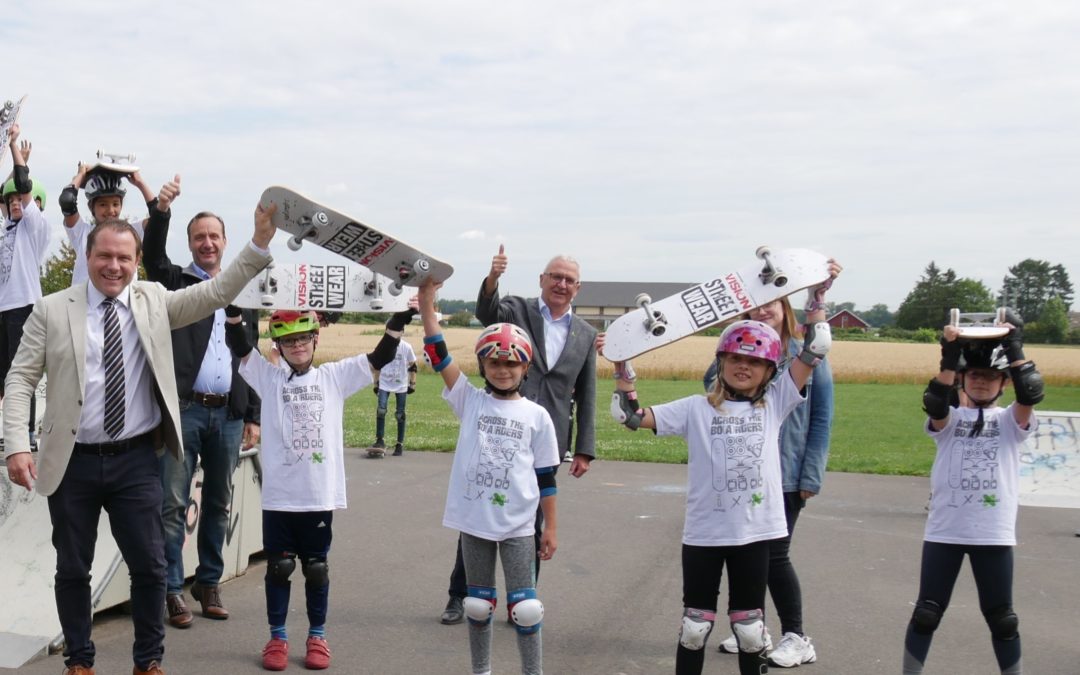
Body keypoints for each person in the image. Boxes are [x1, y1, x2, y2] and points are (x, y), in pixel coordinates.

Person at [2, 203, 277, 675]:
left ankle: (148, 660)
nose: (114, 266)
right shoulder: (51, 309)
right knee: (73, 569)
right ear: (88, 257)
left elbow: (216, 292)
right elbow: (20, 378)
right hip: (71, 462)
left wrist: (258, 245)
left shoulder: (154, 300)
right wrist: (16, 445)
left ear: (136, 262)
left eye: (125, 258)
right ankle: (79, 660)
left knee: (150, 567)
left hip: (136, 460)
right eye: (105, 256)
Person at [608, 288, 834, 675]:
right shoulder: (695, 409)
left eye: (754, 361)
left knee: (749, 629)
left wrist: (816, 301)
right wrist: (622, 367)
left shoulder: (777, 403)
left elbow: (817, 346)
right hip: (704, 535)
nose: (743, 366)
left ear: (769, 371)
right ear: (721, 362)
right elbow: (630, 416)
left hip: (755, 534)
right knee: (695, 627)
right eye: (735, 358)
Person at [225, 303, 416, 671]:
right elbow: (240, 347)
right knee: (279, 568)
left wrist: (396, 321)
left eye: (303, 339)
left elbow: (379, 356)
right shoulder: (269, 378)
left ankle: (317, 635)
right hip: (280, 497)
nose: (297, 346)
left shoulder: (333, 376)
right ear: (278, 346)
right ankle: (277, 637)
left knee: (316, 567)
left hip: (317, 495)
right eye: (288, 341)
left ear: (315, 339)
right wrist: (234, 311)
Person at [441, 244, 596, 624]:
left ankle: (522, 600)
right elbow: (486, 312)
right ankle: (459, 596)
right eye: (555, 277)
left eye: (569, 280)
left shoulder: (587, 333)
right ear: (542, 280)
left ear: (578, 288)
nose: (561, 284)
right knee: (480, 517)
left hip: (546, 436)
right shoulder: (517, 308)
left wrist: (584, 449)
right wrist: (493, 278)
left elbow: (588, 391)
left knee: (533, 521)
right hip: (497, 426)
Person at [418, 278, 559, 675]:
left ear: (525, 367)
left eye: (511, 363)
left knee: (526, 608)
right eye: (495, 362)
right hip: (475, 524)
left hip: (518, 526)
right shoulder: (470, 402)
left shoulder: (537, 416)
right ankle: (481, 670)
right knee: (477, 605)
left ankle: (533, 672)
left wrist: (550, 528)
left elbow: (547, 478)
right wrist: (428, 302)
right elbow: (439, 353)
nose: (502, 369)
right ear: (483, 364)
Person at [141, 189, 263, 629]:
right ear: (190, 243)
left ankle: (207, 583)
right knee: (172, 503)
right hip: (185, 411)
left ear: (225, 241)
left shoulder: (242, 293)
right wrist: (161, 212)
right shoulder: (175, 283)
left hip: (228, 415)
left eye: (214, 236)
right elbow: (152, 256)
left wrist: (253, 414)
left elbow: (250, 356)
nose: (207, 243)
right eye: (199, 237)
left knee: (218, 501)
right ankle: (172, 589)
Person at [902, 313, 1042, 675]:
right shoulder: (948, 423)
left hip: (992, 534)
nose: (982, 382)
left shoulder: (1011, 421)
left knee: (1003, 619)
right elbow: (935, 404)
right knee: (927, 613)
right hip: (945, 531)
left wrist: (1014, 346)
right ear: (963, 379)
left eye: (991, 377)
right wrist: (949, 357)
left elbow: (1031, 391)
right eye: (975, 375)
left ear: (1003, 384)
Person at [702, 294, 836, 667]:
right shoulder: (737, 351)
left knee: (775, 556)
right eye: (755, 306)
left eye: (771, 305)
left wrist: (811, 472)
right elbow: (712, 386)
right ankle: (754, 627)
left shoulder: (803, 354)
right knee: (748, 552)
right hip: (745, 474)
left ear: (784, 309)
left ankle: (797, 636)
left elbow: (822, 417)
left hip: (788, 472)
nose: (763, 311)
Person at [1, 126, 50, 451]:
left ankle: (26, 434)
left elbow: (22, 184)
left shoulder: (35, 228)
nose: (16, 204)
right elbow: (11, 185)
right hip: (2, 309)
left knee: (21, 375)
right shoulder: (4, 230)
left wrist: (14, 145)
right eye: (10, 201)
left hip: (24, 306)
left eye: (22, 199)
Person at [57, 161, 156, 285]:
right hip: (84, 303)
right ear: (91, 207)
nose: (110, 210)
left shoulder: (132, 233)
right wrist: (81, 175)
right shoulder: (82, 232)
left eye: (115, 204)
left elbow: (160, 219)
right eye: (103, 204)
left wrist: (140, 183)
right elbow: (67, 201)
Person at [370, 338, 418, 457]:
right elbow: (377, 365)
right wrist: (376, 383)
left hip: (401, 383)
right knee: (381, 410)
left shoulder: (406, 347)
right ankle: (379, 440)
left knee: (400, 414)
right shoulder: (383, 345)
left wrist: (412, 383)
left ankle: (399, 444)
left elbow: (413, 366)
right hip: (385, 382)